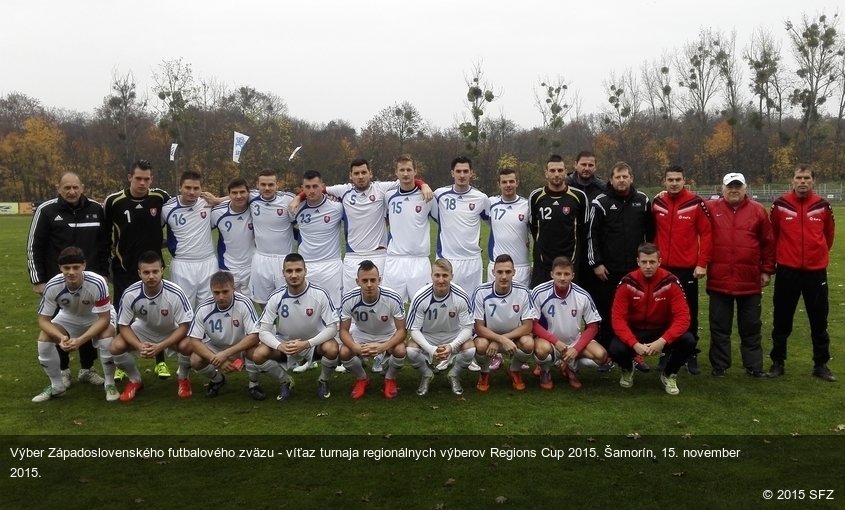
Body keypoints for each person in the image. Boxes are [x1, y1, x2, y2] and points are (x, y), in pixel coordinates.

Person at [27, 172, 109, 388]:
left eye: (75, 187)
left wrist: (104, 273)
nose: (71, 192)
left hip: (89, 281)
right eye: (67, 188)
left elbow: (104, 244)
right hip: (57, 283)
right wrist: (38, 279)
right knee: (57, 326)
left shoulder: (95, 209)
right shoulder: (47, 210)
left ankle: (87, 369)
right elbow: (34, 246)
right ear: (58, 188)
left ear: (82, 187)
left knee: (90, 322)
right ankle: (63, 370)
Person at [103, 159, 172, 379]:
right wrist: (107, 266)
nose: (143, 183)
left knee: (158, 317)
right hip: (125, 270)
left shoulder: (160, 197)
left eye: (147, 179)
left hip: (153, 270)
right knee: (124, 318)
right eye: (138, 178)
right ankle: (124, 365)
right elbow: (104, 236)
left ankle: (161, 361)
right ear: (129, 177)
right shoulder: (114, 201)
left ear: (151, 179)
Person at [768, 164, 836, 382]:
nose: (803, 181)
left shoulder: (823, 206)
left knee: (819, 320)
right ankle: (778, 362)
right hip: (788, 271)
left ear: (813, 180)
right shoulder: (780, 205)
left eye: (807, 178)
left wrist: (818, 257)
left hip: (815, 273)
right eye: (799, 177)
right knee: (782, 319)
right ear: (792, 180)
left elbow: (828, 236)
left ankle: (821, 364)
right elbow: (773, 235)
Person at [706, 173, 775, 377]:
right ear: (722, 188)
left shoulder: (758, 211)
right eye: (730, 186)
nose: (734, 190)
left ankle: (753, 366)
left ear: (745, 188)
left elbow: (769, 243)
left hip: (749, 280)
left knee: (751, 327)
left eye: (738, 186)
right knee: (719, 327)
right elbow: (689, 206)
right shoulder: (710, 208)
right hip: (720, 279)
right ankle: (720, 366)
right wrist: (663, 194)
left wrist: (767, 270)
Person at [587, 161, 652, 372]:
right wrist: (596, 263)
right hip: (608, 271)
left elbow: (650, 236)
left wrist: (645, 263)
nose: (622, 180)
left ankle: (634, 354)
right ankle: (605, 356)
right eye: (618, 177)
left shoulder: (642, 201)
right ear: (611, 179)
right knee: (605, 312)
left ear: (631, 178)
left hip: (634, 271)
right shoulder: (601, 202)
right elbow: (592, 236)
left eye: (625, 176)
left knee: (633, 314)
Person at [250, 253, 341, 400]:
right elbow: (263, 332)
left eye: (298, 270)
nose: (294, 275)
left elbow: (332, 328)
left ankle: (323, 380)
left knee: (332, 348)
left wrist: (307, 344)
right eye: (289, 271)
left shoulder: (320, 294)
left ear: (306, 271)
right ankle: (285, 381)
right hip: (286, 346)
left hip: (312, 344)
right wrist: (280, 346)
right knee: (258, 354)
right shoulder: (276, 297)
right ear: (283, 273)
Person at [609, 243, 697, 395]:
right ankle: (627, 368)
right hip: (635, 330)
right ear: (638, 262)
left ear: (659, 262)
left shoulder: (671, 282)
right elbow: (618, 320)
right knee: (616, 349)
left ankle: (669, 374)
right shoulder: (627, 282)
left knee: (689, 340)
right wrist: (634, 344)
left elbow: (683, 318)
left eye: (652, 262)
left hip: (662, 330)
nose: (648, 266)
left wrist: (662, 341)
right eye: (644, 262)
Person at [32, 247, 115, 402]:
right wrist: (61, 337)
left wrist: (80, 340)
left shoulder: (98, 282)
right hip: (68, 316)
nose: (71, 272)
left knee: (106, 336)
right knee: (44, 339)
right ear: (60, 268)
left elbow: (104, 318)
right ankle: (57, 386)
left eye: (76, 267)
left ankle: (109, 384)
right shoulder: (53, 285)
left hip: (96, 316)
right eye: (66, 268)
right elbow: (43, 320)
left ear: (83, 265)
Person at [651, 165, 712, 374]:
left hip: (687, 269)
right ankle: (666, 350)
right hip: (663, 269)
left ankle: (690, 353)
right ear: (664, 181)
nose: (674, 183)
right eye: (671, 180)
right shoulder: (657, 203)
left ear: (685, 180)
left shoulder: (696, 203)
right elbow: (651, 233)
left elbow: (707, 234)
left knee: (688, 313)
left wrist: (702, 263)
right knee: (663, 312)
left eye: (678, 179)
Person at [110, 251, 195, 401]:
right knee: (116, 346)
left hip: (170, 330)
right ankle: (135, 380)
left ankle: (183, 377)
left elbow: (185, 326)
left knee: (188, 345)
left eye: (155, 271)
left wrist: (161, 346)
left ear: (162, 270)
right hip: (144, 330)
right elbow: (123, 326)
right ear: (139, 273)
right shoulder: (130, 294)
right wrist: (138, 345)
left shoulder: (176, 293)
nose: (151, 276)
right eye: (146, 272)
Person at [531, 256, 607, 390]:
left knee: (601, 356)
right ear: (552, 274)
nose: (562, 278)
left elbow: (593, 326)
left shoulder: (582, 295)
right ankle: (545, 371)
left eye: (566, 274)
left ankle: (571, 367)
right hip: (549, 342)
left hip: (574, 342)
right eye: (558, 274)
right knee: (541, 350)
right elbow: (532, 323)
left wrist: (576, 349)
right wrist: (555, 341)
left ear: (572, 275)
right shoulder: (539, 291)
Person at [406, 258, 476, 396]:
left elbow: (468, 328)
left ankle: (454, 374)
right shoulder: (420, 296)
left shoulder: (461, 296)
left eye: (445, 275)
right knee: (411, 350)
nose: (441, 279)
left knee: (470, 349)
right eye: (437, 275)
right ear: (431, 276)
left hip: (453, 335)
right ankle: (426, 374)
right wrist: (431, 349)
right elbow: (413, 329)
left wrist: (452, 346)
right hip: (428, 335)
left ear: (452, 276)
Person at [339, 261, 407, 399]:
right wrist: (356, 348)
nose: (369, 284)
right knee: (345, 352)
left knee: (400, 350)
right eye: (365, 280)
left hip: (387, 334)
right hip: (362, 334)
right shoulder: (348, 298)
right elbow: (343, 331)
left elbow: (402, 330)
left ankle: (390, 379)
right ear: (358, 282)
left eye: (373, 280)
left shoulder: (392, 297)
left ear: (379, 280)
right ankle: (362, 379)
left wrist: (384, 347)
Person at [186, 271, 260, 398]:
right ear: (211, 291)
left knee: (256, 352)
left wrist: (225, 354)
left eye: (225, 292)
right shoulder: (203, 308)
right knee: (195, 360)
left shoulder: (244, 303)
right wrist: (216, 359)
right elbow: (194, 341)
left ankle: (254, 384)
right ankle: (217, 380)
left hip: (240, 346)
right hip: (216, 347)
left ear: (233, 289)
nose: (221, 296)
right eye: (216, 292)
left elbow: (254, 336)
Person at [472, 255, 538, 392]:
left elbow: (528, 326)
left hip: (513, 337)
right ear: (493, 272)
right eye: (500, 272)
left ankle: (514, 370)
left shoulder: (523, 292)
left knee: (528, 343)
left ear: (514, 272)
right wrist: (498, 339)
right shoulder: (480, 292)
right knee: (480, 344)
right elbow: (478, 327)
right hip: (488, 338)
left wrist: (505, 338)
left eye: (508, 272)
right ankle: (485, 372)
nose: (504, 276)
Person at [529, 154, 590, 288]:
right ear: (546, 173)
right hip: (543, 261)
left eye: (560, 170)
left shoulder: (579, 196)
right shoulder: (536, 196)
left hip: (569, 260)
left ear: (565, 172)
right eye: (552, 171)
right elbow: (534, 227)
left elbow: (583, 229)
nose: (556, 174)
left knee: (568, 302)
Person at [431, 156, 490, 295]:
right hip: (446, 259)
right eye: (458, 171)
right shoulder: (439, 195)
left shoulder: (481, 198)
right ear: (452, 173)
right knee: (444, 304)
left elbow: (492, 222)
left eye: (465, 171)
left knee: (471, 306)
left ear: (471, 173)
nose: (462, 175)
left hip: (472, 261)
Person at [383, 155, 435, 305]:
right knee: (390, 306)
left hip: (419, 261)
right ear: (396, 172)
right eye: (402, 170)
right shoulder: (388, 196)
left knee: (424, 306)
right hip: (395, 259)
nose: (405, 174)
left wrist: (423, 185)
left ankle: (418, 330)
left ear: (415, 171)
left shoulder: (427, 196)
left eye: (409, 170)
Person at [162, 170, 218, 308]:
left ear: (201, 189)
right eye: (188, 188)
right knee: (182, 309)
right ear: (180, 187)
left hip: (208, 263)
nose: (192, 192)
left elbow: (244, 196)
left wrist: (218, 200)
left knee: (209, 309)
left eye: (196, 188)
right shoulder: (167, 208)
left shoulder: (208, 203)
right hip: (182, 265)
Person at [292, 170, 345, 306]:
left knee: (334, 308)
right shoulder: (296, 207)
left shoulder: (337, 207)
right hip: (307, 265)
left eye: (315, 186)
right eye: (307, 187)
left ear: (323, 186)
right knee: (308, 309)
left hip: (331, 265)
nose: (312, 191)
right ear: (302, 189)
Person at [248, 169, 297, 306]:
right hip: (261, 258)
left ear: (277, 185)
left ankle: (287, 327)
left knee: (288, 301)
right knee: (262, 300)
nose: (267, 188)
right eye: (263, 184)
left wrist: (299, 197)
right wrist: (217, 200)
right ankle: (269, 326)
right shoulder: (251, 197)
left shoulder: (287, 199)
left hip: (284, 258)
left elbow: (306, 197)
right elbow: (234, 196)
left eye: (271, 184)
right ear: (257, 185)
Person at [210, 178, 255, 297]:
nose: (239, 196)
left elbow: (264, 191)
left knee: (257, 302)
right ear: (229, 194)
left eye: (242, 192)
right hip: (227, 267)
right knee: (229, 304)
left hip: (252, 266)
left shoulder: (255, 208)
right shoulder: (217, 212)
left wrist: (218, 199)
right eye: (234, 193)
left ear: (248, 193)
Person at [486, 168, 531, 287]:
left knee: (520, 304)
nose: (508, 185)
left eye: (511, 181)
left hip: (521, 267)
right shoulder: (490, 203)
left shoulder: (527, 206)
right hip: (497, 266)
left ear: (517, 182)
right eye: (504, 182)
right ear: (498, 184)